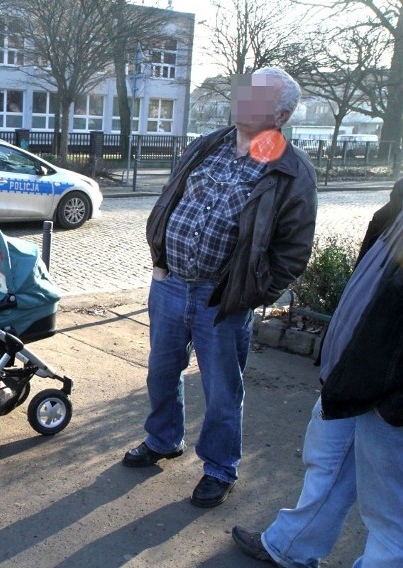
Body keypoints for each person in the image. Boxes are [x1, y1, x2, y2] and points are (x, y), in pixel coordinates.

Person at [122, 67, 318, 508]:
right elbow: (174, 196)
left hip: (223, 300)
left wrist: (249, 294)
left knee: (223, 391)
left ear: (281, 114)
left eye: (259, 97)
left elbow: (292, 252)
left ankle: (219, 468)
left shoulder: (291, 170)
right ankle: (162, 439)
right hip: (170, 285)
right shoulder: (208, 144)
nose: (244, 99)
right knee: (160, 373)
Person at [232, 179, 403, 566]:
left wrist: (394, 403)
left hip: (386, 398)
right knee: (327, 464)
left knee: (392, 522)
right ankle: (290, 547)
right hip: (354, 376)